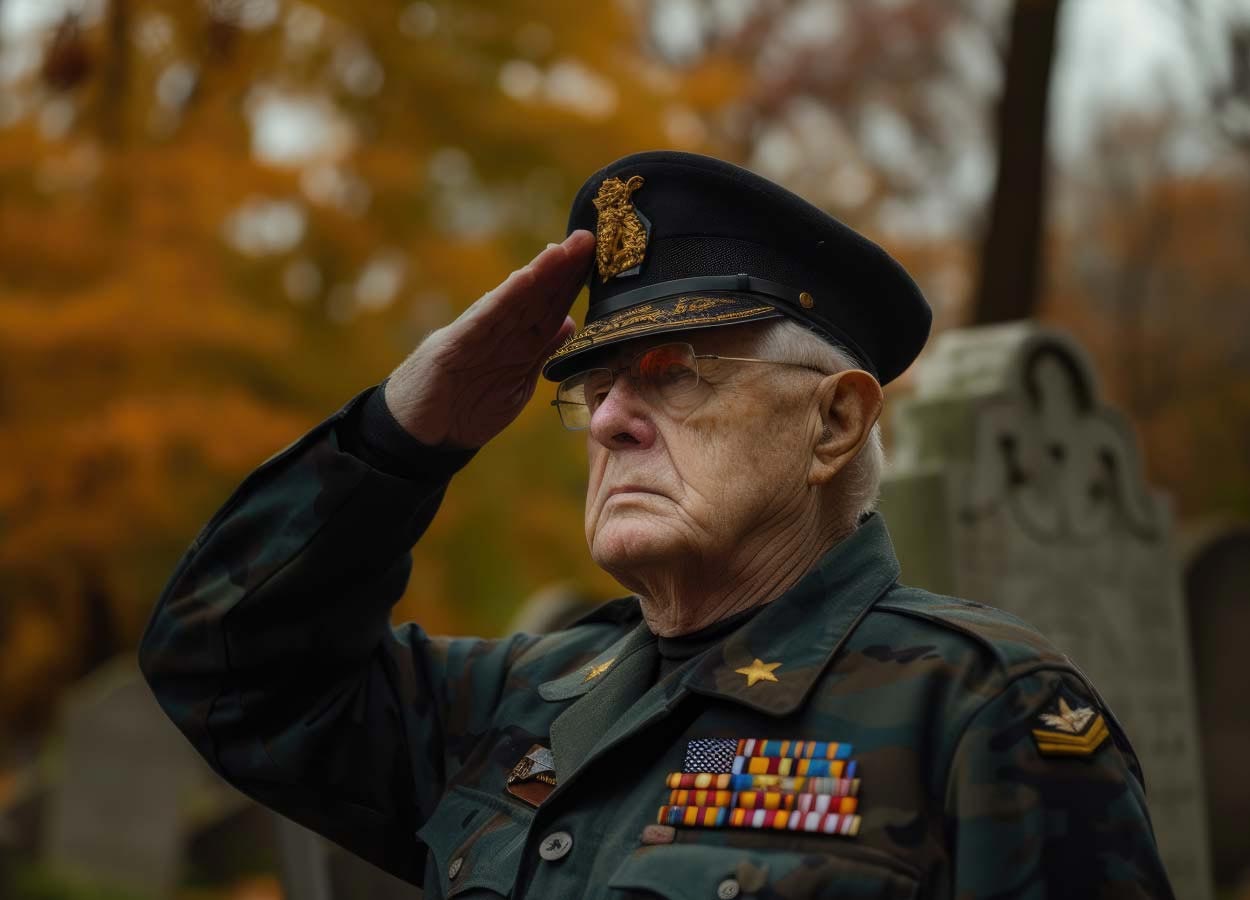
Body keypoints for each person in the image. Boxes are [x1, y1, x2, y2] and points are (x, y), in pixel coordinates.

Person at [140, 151, 1174, 899]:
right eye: (589, 390)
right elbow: (223, 667)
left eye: (672, 376)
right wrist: (400, 437)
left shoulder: (975, 714)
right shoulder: (519, 704)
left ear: (834, 420)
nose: (608, 420)